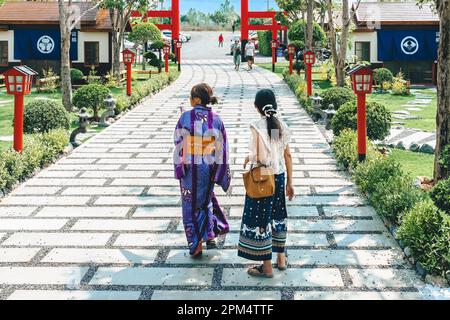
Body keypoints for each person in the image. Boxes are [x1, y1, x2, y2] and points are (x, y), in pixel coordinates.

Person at [238, 89, 294, 278]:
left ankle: (267, 267)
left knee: (262, 219)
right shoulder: (279, 125)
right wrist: (290, 183)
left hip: (263, 177)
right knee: (277, 216)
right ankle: (281, 259)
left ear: (257, 107)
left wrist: (249, 157)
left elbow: (260, 156)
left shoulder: (256, 126)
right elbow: (286, 155)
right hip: (279, 177)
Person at [173, 83, 231, 258]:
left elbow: (177, 140)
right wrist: (219, 170)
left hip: (190, 168)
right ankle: (208, 236)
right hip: (209, 168)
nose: (190, 100)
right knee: (206, 202)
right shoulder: (217, 120)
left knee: (190, 205)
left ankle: (195, 244)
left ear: (196, 99)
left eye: (191, 97)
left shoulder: (185, 117)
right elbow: (223, 148)